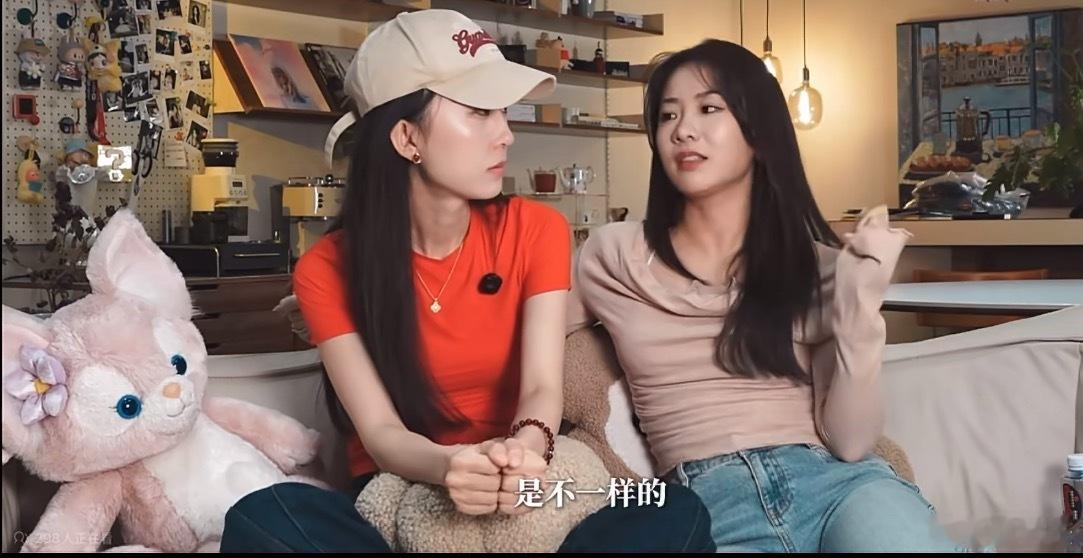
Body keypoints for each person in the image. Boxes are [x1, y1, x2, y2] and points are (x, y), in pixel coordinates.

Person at [219, 10, 714, 553]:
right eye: (479, 112)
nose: (505, 134)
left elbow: (541, 387)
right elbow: (381, 435)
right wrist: (449, 465)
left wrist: (524, 451)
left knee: (673, 509)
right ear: (407, 137)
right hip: (406, 483)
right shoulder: (327, 268)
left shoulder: (536, 230)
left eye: (502, 112)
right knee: (265, 516)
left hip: (526, 474)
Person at [569, 39, 967, 553]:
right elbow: (521, 333)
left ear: (759, 133)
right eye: (668, 115)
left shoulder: (816, 266)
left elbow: (850, 442)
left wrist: (858, 312)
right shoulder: (616, 255)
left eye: (709, 108)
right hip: (707, 505)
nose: (683, 129)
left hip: (841, 489)